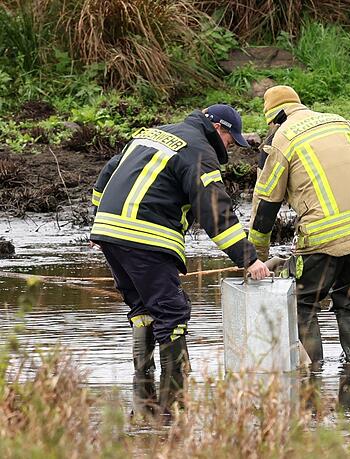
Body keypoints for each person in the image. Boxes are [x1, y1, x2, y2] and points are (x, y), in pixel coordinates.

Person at [90, 104, 271, 415]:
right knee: (172, 312)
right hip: (146, 236)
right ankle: (175, 397)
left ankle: (144, 394)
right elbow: (214, 211)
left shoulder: (156, 132)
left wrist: (100, 220)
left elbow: (109, 171)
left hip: (108, 231)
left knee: (143, 309)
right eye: (231, 140)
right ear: (218, 129)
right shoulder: (199, 151)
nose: (231, 147)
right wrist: (249, 260)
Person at [249, 85, 350, 369]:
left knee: (303, 304)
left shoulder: (281, 139)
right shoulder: (340, 122)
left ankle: (315, 372)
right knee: (349, 302)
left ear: (274, 119)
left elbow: (266, 207)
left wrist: (258, 256)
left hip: (322, 237)